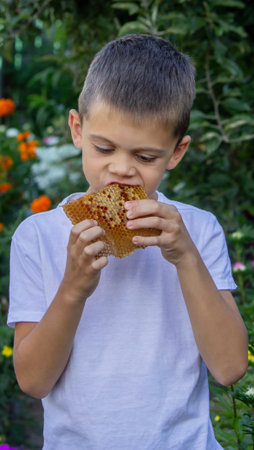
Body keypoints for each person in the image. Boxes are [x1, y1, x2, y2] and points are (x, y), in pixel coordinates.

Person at [8, 34, 248, 449]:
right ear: (77, 130)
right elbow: (32, 381)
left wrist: (186, 257)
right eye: (104, 148)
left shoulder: (199, 230)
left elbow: (229, 368)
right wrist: (73, 289)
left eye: (146, 157)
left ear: (176, 153)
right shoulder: (38, 237)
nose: (121, 170)